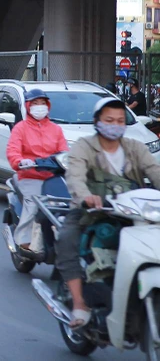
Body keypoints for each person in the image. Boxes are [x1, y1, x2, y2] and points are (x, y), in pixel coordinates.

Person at [55, 97, 160, 328]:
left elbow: (155, 171)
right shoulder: (84, 146)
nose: (115, 125)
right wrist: (85, 197)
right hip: (90, 211)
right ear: (97, 122)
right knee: (66, 241)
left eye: (120, 121)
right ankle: (80, 303)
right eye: (109, 120)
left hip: (132, 213)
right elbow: (75, 177)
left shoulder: (135, 147)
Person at [5, 88, 68, 252]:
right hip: (29, 175)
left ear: (48, 106)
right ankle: (24, 240)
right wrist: (20, 161)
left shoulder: (56, 129)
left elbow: (64, 152)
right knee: (34, 204)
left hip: (53, 177)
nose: (39, 107)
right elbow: (12, 151)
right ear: (28, 106)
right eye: (35, 103)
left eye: (42, 103)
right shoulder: (21, 128)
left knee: (69, 205)